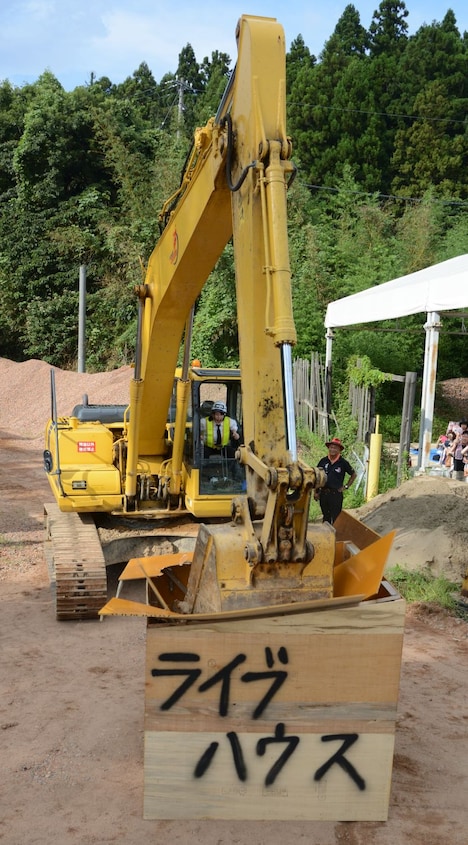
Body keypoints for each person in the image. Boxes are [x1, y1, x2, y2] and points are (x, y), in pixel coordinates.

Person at [315, 437, 357, 525]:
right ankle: (326, 537)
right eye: (331, 447)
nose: (332, 449)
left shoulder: (343, 463)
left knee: (336, 518)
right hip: (324, 493)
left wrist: (346, 486)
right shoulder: (323, 461)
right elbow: (317, 476)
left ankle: (335, 537)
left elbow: (353, 474)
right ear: (329, 448)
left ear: (339, 450)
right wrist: (316, 492)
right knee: (326, 517)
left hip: (336, 494)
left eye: (335, 448)